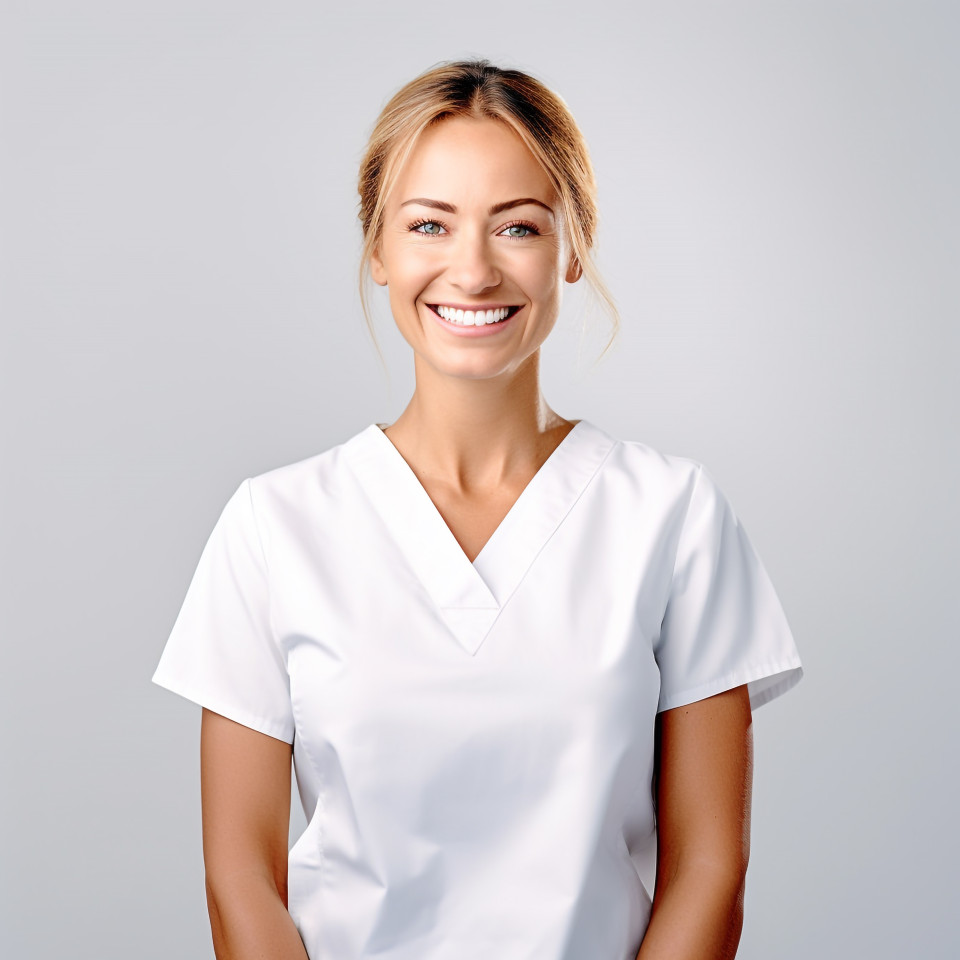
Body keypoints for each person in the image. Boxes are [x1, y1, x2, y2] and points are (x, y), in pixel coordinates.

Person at [152, 59, 803, 960]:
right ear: (377, 250)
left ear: (573, 247)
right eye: (429, 225)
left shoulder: (673, 516)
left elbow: (710, 871)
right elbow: (240, 879)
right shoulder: (274, 526)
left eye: (518, 227)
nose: (472, 268)